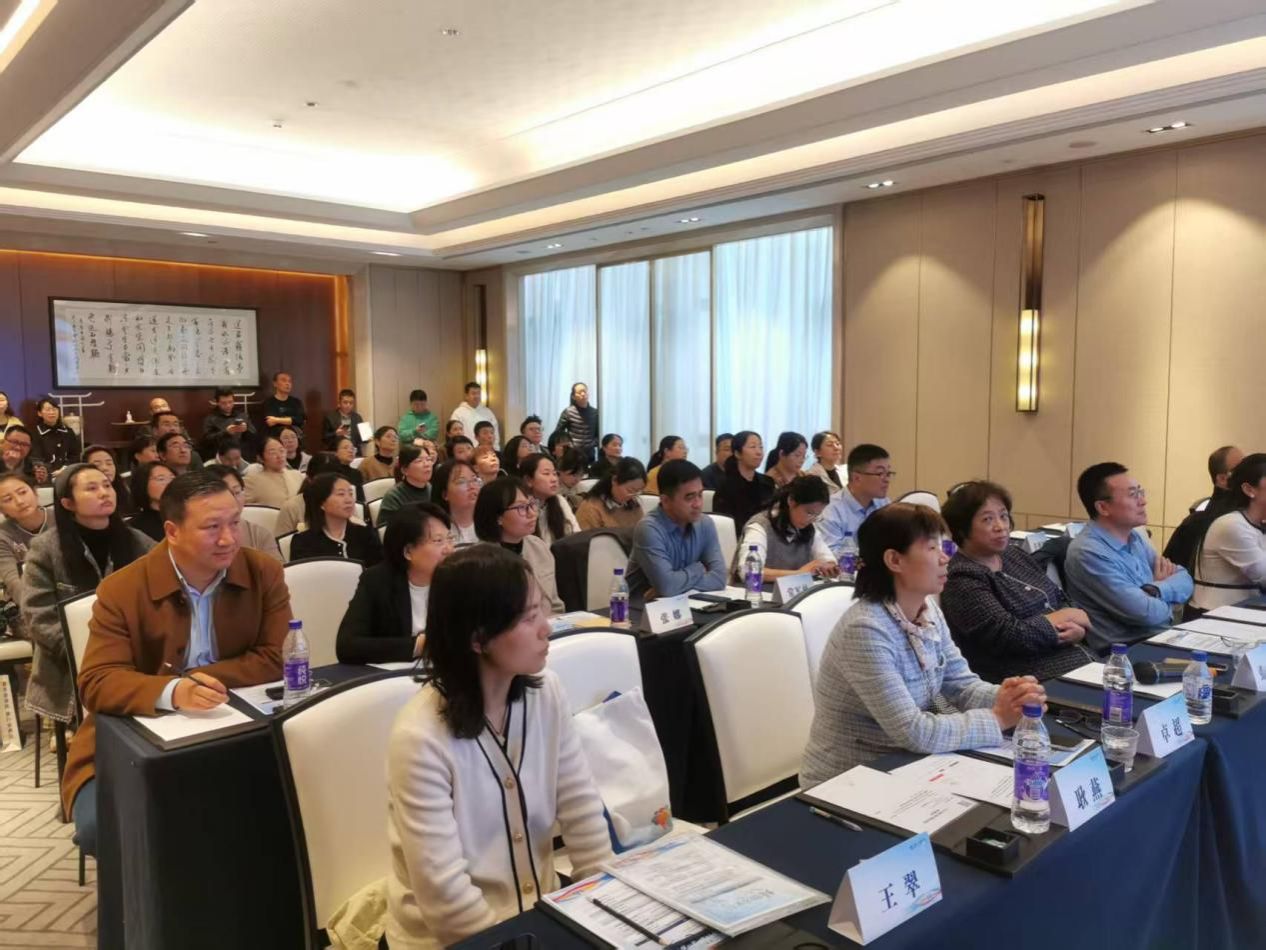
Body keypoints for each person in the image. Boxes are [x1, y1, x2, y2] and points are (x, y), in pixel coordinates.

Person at [384, 543, 612, 947]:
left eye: (542, 610)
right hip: (451, 940)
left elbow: (582, 810)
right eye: (528, 617)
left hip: (537, 914)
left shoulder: (545, 693)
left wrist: (605, 910)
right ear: (478, 638)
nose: (546, 628)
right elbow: (447, 900)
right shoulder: (420, 737)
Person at [60, 470, 291, 856]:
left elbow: (276, 656)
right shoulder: (122, 589)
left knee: (279, 806)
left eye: (235, 523)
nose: (228, 539)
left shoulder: (262, 572)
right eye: (212, 527)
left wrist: (197, 678)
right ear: (172, 531)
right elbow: (97, 681)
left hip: (237, 727)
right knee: (107, 827)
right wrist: (173, 690)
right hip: (132, 737)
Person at [800, 503, 1046, 787]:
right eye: (931, 548)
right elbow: (914, 731)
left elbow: (961, 685)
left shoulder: (927, 609)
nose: (944, 558)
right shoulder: (866, 628)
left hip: (907, 765)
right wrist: (998, 718)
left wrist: (1009, 697)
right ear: (894, 560)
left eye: (943, 547)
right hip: (848, 779)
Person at [22, 464, 155, 730]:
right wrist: (90, 652)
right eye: (91, 488)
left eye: (107, 485)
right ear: (68, 503)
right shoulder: (46, 549)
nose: (104, 493)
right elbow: (38, 615)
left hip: (132, 656)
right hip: (69, 665)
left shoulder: (136, 540)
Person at [939, 481, 1094, 683]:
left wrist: (1077, 629)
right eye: (987, 519)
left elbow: (1057, 596)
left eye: (1003, 516)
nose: (1000, 526)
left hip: (1075, 662)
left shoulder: (1014, 554)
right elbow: (1010, 636)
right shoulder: (962, 578)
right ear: (961, 529)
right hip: (1026, 680)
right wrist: (1065, 617)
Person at [1064, 463, 1193, 652]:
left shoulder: (1135, 537)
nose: (1143, 501)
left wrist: (1155, 589)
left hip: (1162, 638)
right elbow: (1146, 614)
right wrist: (1171, 601)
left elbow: (1185, 579)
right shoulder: (1088, 552)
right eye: (1133, 495)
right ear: (1103, 507)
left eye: (1141, 492)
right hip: (1127, 651)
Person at [336, 503, 453, 664]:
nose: (449, 549)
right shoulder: (377, 581)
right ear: (408, 552)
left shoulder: (458, 578)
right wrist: (419, 645)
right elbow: (347, 645)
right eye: (438, 541)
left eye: (450, 539)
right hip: (398, 673)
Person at [626, 459, 726, 600]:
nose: (698, 504)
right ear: (665, 501)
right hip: (642, 608)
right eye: (689, 497)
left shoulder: (705, 523)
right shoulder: (649, 529)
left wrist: (674, 585)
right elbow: (667, 586)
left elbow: (719, 578)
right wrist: (698, 568)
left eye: (700, 495)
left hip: (687, 605)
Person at [474, 477, 564, 613]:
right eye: (522, 507)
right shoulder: (480, 561)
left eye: (532, 504)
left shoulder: (538, 547)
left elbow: (555, 605)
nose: (532, 514)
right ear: (498, 517)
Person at [1191, 454, 1266, 612]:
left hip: (1243, 614)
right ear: (1249, 489)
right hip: (1213, 617)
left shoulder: (1257, 524)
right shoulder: (1232, 525)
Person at [734, 476, 839, 582]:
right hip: (757, 590)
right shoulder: (760, 526)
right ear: (791, 501)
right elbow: (748, 571)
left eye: (817, 515)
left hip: (792, 591)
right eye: (809, 513)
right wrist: (798, 574)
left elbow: (826, 558)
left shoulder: (809, 529)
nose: (812, 520)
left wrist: (829, 566)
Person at [1164, 444, 1246, 571]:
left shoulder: (1193, 522)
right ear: (1222, 479)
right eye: (1242, 469)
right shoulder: (1199, 523)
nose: (1250, 473)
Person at [290, 472, 383, 565]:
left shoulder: (366, 534)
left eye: (351, 494)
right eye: (341, 494)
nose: (349, 500)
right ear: (322, 503)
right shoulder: (302, 542)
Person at [0, 473, 52, 640]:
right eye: (8, 499)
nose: (19, 501)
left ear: (35, 492)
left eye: (22, 492)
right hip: (27, 604)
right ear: (2, 510)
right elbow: (14, 583)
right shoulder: (3, 536)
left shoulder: (63, 519)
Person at [817, 443, 894, 552]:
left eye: (888, 473)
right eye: (880, 473)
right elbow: (830, 556)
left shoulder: (884, 504)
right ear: (857, 478)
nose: (887, 479)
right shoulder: (831, 510)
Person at [206, 464, 281, 561]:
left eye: (237, 492)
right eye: (223, 494)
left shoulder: (259, 534)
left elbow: (277, 569)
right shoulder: (198, 535)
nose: (232, 499)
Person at [712, 430, 774, 532]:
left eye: (761, 447)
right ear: (737, 453)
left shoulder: (768, 483)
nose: (759, 452)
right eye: (753, 447)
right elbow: (725, 526)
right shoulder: (725, 488)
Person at [274, 453, 342, 536]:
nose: (329, 487)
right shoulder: (292, 507)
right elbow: (282, 541)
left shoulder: (346, 503)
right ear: (309, 479)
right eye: (324, 483)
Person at [521, 454, 580, 546]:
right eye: (546, 474)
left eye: (555, 474)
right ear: (528, 480)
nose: (554, 479)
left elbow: (576, 535)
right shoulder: (521, 507)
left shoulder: (560, 500)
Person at [577, 457, 646, 532]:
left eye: (637, 491)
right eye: (630, 490)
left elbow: (642, 532)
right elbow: (586, 538)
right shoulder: (591, 508)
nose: (633, 495)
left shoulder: (632, 504)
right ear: (614, 480)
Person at [378, 444, 435, 527]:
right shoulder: (394, 497)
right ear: (405, 470)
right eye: (419, 461)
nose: (427, 464)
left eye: (428, 459)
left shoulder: (431, 488)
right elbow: (386, 530)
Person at [244, 435, 305, 507]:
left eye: (282, 451)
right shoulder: (251, 481)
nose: (279, 456)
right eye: (272, 453)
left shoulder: (297, 475)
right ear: (260, 458)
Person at [433, 459, 481, 544]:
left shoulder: (491, 521)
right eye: (461, 482)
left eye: (474, 479)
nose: (472, 486)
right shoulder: (435, 530)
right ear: (445, 494)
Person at [127, 462, 176, 541]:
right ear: (143, 484)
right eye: (161, 479)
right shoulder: (135, 528)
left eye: (172, 478)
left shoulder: (187, 515)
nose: (169, 483)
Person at [201, 387, 254, 457]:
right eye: (223, 403)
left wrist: (246, 429)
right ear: (217, 402)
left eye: (230, 402)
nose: (228, 405)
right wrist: (226, 432)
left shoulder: (242, 415)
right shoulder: (211, 419)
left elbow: (254, 436)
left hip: (242, 453)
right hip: (221, 454)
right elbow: (206, 441)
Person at [553, 382, 599, 462]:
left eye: (585, 391)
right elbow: (558, 433)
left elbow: (599, 435)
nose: (583, 394)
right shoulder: (568, 412)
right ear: (573, 396)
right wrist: (568, 445)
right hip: (572, 454)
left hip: (590, 454)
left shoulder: (595, 412)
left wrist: (592, 444)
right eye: (579, 392)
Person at [84, 444, 133, 516]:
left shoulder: (124, 490)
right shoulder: (85, 497)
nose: (105, 468)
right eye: (97, 464)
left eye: (109, 463)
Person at [32, 397, 80, 470]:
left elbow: (75, 456)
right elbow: (36, 459)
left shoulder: (68, 432)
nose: (52, 412)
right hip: (45, 472)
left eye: (54, 409)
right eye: (48, 410)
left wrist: (64, 469)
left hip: (67, 471)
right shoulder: (34, 433)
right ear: (39, 413)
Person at [450, 381, 500, 448]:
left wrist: (496, 448)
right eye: (473, 393)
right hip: (466, 450)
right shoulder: (458, 413)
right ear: (466, 396)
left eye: (478, 393)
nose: (476, 396)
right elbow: (455, 435)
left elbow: (495, 433)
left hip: (486, 449)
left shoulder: (488, 412)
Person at [261, 370, 306, 436]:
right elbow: (270, 422)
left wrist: (277, 420)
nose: (287, 383)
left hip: (295, 436)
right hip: (276, 437)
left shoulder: (296, 402)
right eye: (284, 380)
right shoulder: (268, 402)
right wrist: (291, 420)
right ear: (275, 384)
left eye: (289, 381)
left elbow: (300, 420)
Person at [322, 388, 366, 452]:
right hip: (337, 452)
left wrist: (367, 437)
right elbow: (324, 438)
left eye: (351, 403)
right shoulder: (330, 417)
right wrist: (336, 434)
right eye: (345, 402)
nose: (348, 405)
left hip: (354, 452)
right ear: (339, 403)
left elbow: (361, 440)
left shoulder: (358, 417)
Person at [557, 448, 587, 513]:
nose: (577, 479)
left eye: (581, 475)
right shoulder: (551, 490)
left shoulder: (583, 490)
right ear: (561, 469)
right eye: (573, 475)